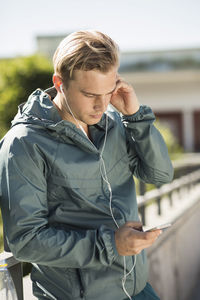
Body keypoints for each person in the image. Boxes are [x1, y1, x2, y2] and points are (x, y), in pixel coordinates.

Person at [0, 30, 173, 300]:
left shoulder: (114, 123)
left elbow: (160, 174)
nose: (101, 105)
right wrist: (111, 245)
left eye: (108, 92)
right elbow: (26, 241)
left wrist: (136, 117)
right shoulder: (23, 143)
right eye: (90, 94)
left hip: (137, 288)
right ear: (59, 83)